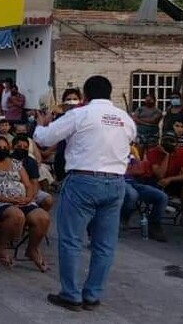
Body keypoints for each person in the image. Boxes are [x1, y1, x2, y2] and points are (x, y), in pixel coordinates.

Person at [33, 75, 135, 312]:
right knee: (105, 244)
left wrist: (41, 123)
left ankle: (71, 294)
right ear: (110, 93)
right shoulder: (124, 118)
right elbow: (129, 139)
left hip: (84, 180)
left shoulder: (79, 114)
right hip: (116, 182)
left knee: (71, 240)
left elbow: (44, 138)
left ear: (85, 96)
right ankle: (92, 295)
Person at [0, 135, 50, 271]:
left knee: (42, 217)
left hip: (21, 200)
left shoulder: (16, 163)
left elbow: (28, 184)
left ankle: (32, 249)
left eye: (4, 148)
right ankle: (1, 247)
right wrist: (6, 200)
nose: (2, 150)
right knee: (16, 215)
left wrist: (28, 197)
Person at [142, 134, 183, 235]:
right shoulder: (153, 152)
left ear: (177, 143)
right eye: (166, 141)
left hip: (173, 180)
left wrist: (170, 179)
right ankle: (155, 222)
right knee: (157, 187)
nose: (169, 144)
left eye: (172, 141)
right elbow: (160, 174)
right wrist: (167, 155)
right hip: (156, 180)